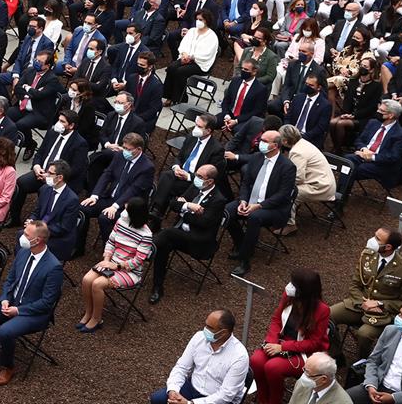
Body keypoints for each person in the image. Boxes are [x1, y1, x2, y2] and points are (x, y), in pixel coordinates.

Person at [0, 219, 63, 386]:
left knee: (5, 331)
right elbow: (11, 279)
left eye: (26, 235)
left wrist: (17, 311)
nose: (22, 237)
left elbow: (47, 303)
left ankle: (8, 367)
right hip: (11, 303)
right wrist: (5, 298)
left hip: (33, 313)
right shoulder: (23, 253)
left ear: (38, 240)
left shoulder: (53, 267)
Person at [330, 227, 402, 361]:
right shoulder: (367, 256)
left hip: (382, 313)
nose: (372, 240)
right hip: (359, 305)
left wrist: (379, 304)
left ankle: (362, 363)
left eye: (377, 238)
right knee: (327, 315)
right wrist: (363, 303)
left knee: (364, 334)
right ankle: (336, 354)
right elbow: (355, 284)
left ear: (388, 247)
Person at [248, 267, 331, 404]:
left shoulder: (322, 310)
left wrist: (282, 347)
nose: (289, 285)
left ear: (303, 290)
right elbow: (276, 319)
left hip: (305, 352)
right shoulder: (289, 296)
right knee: (256, 361)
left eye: (293, 283)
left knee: (272, 368)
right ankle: (263, 400)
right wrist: (272, 341)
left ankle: (275, 400)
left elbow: (313, 343)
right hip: (279, 343)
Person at [149, 164, 227, 304]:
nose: (196, 178)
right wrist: (189, 206)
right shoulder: (195, 187)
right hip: (180, 234)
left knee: (167, 234)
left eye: (200, 177)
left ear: (210, 181)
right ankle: (157, 287)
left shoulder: (218, 200)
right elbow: (172, 204)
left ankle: (145, 249)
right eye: (196, 175)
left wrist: (183, 211)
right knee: (164, 244)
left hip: (199, 242)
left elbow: (203, 223)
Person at [225, 128, 297, 275]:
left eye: (264, 141)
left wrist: (258, 206)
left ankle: (245, 260)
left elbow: (283, 195)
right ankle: (241, 243)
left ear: (275, 146)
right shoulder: (256, 158)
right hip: (250, 201)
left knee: (254, 217)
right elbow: (245, 183)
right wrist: (244, 201)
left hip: (273, 208)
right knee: (227, 211)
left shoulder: (288, 167)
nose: (260, 143)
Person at [78, 197, 153, 333]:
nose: (124, 210)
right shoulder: (121, 221)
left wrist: (117, 266)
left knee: (97, 284)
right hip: (111, 262)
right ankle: (88, 313)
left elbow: (138, 260)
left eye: (127, 209)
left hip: (130, 271)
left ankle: (96, 318)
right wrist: (107, 259)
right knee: (87, 280)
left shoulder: (146, 234)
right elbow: (111, 242)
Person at [149, 310, 249, 404]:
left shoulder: (239, 356)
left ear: (223, 332)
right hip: (192, 388)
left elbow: (226, 395)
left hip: (217, 399)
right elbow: (181, 367)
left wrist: (190, 403)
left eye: (210, 327)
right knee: (158, 399)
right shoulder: (199, 337)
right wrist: (173, 390)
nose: (205, 330)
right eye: (205, 325)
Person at [347, 299, 402, 404]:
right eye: (399, 313)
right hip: (377, 385)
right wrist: (371, 385)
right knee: (343, 399)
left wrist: (394, 398)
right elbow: (373, 361)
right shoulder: (390, 331)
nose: (397, 317)